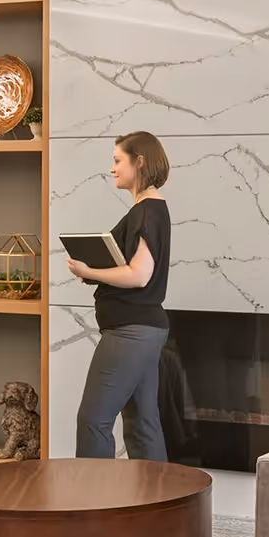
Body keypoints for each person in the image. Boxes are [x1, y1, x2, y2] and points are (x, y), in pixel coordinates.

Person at [66, 131, 172, 460]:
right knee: (142, 423)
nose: (112, 169)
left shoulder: (145, 212)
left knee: (93, 420)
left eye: (117, 161)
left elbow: (139, 274)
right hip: (144, 329)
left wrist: (89, 271)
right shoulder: (151, 210)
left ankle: (96, 505)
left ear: (139, 162)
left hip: (130, 331)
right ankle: (160, 506)